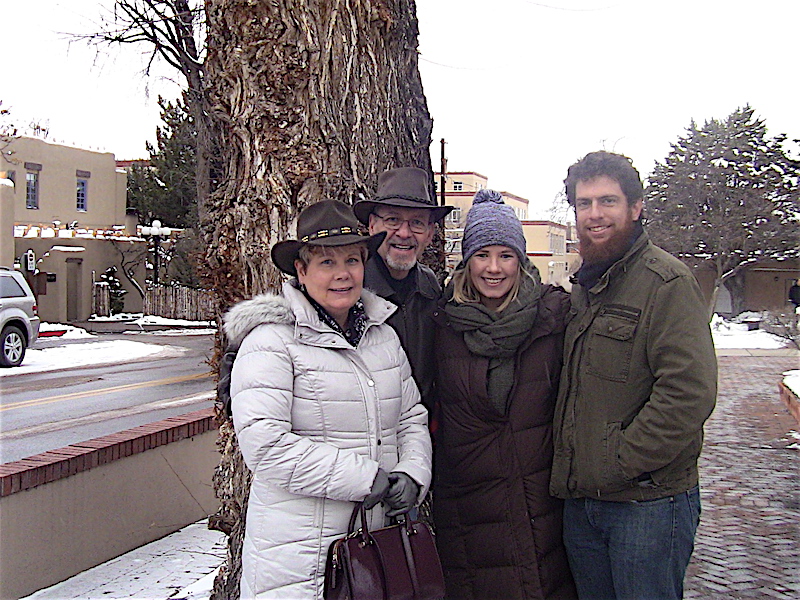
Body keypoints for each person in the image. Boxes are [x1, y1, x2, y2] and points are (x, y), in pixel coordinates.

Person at [224, 200, 433, 599]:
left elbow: (410, 418)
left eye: (352, 261)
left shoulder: (383, 338)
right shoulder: (271, 343)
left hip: (374, 551)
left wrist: (412, 472)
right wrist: (363, 477)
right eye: (326, 262)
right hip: (298, 560)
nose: (342, 274)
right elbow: (266, 446)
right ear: (301, 271)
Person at [550, 151, 718, 600]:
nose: (594, 214)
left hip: (647, 505)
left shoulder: (666, 283)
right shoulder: (587, 285)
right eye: (584, 203)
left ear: (636, 207)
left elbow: (688, 393)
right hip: (583, 503)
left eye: (608, 201)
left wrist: (619, 460)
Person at [431, 189, 577, 600]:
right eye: (482, 255)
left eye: (505, 255)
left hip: (542, 508)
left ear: (521, 260)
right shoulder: (442, 323)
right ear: (467, 261)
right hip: (469, 516)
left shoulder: (554, 317)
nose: (493, 268)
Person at [354, 166, 453, 413]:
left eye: (417, 223)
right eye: (393, 220)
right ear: (372, 226)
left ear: (429, 234)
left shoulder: (431, 287)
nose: (404, 233)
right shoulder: (349, 289)